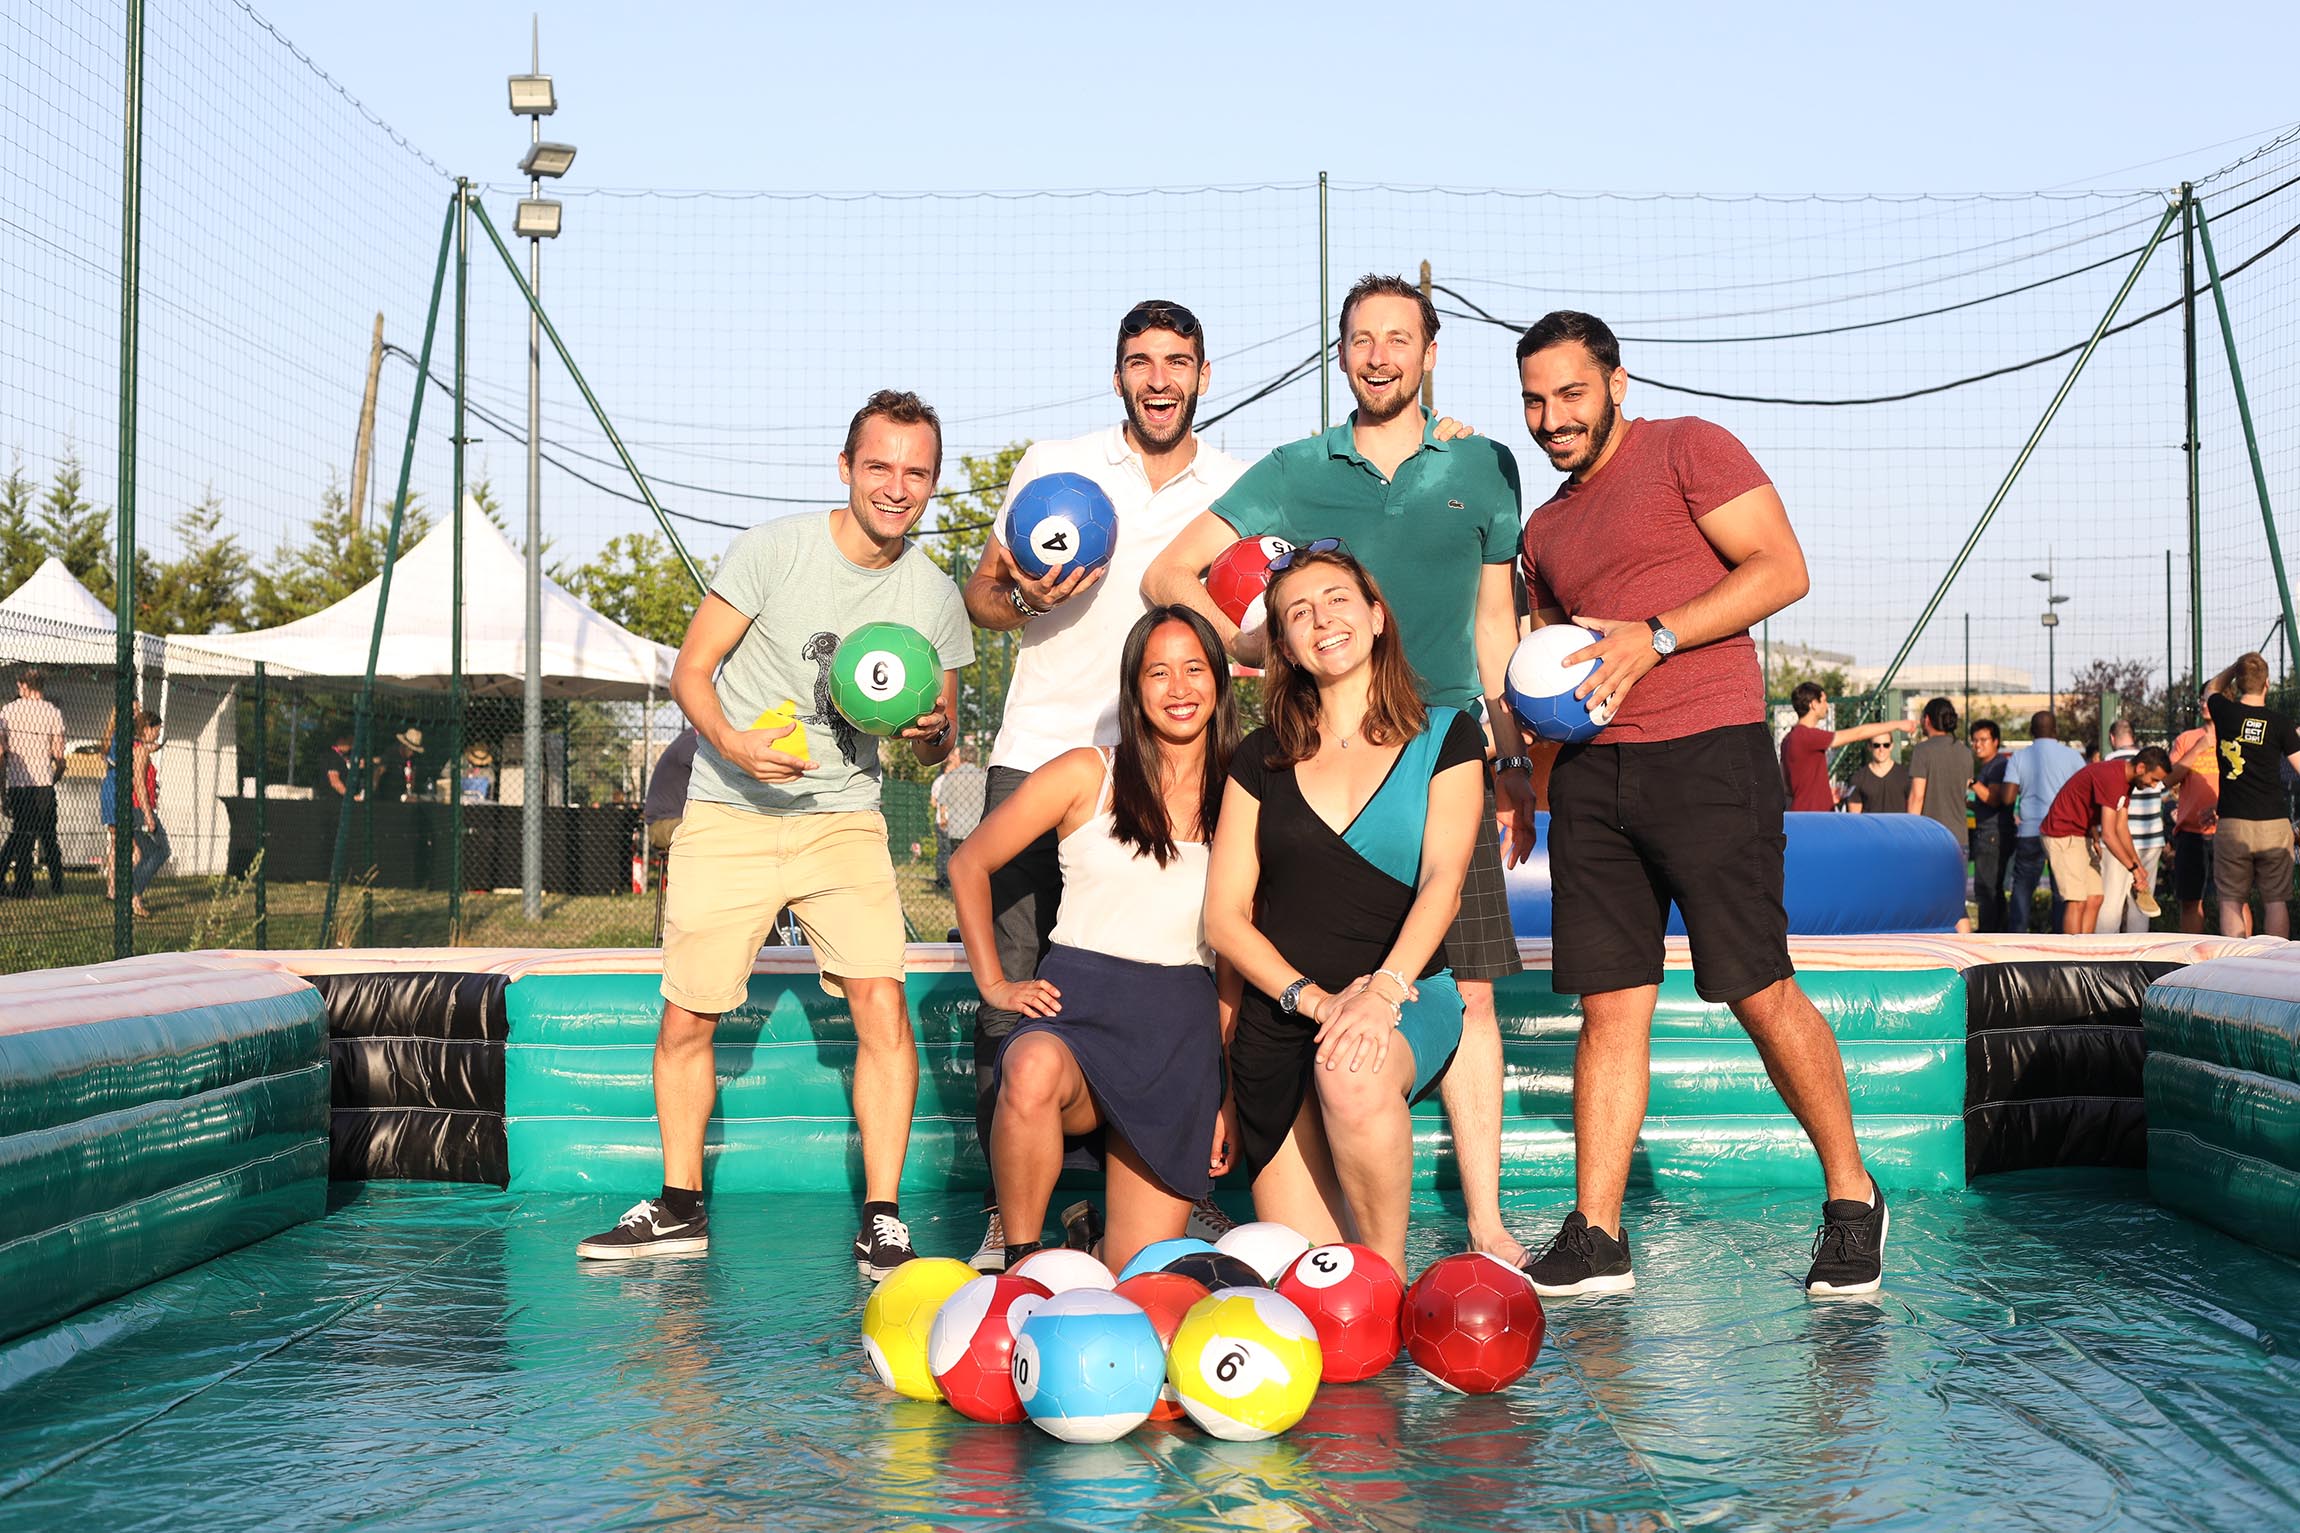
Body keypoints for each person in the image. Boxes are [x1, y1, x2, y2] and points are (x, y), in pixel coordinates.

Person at [1145, 273, 1537, 1268]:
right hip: (1319, 755)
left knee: (1473, 991)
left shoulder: (1485, 466)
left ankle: (1486, 1224)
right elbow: (1166, 578)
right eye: (1360, 339)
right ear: (1341, 355)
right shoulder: (1292, 469)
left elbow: (1496, 624)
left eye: (1395, 338)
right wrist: (1258, 650)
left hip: (1438, 753)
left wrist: (1513, 758)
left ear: (1429, 352)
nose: (1377, 355)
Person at [1511, 310, 1884, 1298]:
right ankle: (1595, 1234)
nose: (1552, 418)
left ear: (1615, 384)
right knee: (1608, 1008)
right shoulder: (1542, 527)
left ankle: (1851, 1200)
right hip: (1594, 779)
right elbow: (1555, 655)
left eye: (1570, 394)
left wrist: (1657, 635)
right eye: (1534, 401)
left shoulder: (1688, 448)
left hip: (1707, 755)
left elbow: (1780, 569)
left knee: (1755, 985)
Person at [576, 389, 973, 1276]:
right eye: (880, 465)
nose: (896, 486)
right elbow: (693, 670)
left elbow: (942, 729)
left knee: (881, 1000)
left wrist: (927, 732)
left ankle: (883, 1217)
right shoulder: (773, 551)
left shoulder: (934, 594)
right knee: (688, 1014)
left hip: (843, 820)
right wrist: (735, 745)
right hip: (730, 810)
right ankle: (680, 1206)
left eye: (917, 472)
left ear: (933, 484)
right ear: (846, 467)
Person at [960, 300, 1248, 1269]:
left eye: (1176, 361)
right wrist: (1018, 597)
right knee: (1017, 1002)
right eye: (1139, 360)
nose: (1157, 377)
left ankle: (1160, 1177)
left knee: (1182, 952)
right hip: (1047, 749)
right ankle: (1015, 1218)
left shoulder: (1237, 486)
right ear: (1116, 372)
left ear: (1203, 375)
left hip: (1175, 765)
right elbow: (982, 594)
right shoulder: (1055, 464)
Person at [1205, 548, 1483, 1281]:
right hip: (1285, 1015)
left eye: (1337, 600)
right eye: (1299, 612)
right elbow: (1224, 919)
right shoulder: (1258, 758)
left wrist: (1380, 992)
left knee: (1352, 1071)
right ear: (1285, 647)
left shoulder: (1447, 735)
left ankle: (1390, 1286)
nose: (1322, 619)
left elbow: (1443, 881)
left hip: (1405, 995)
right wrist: (1315, 999)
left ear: (1377, 615)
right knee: (1308, 1277)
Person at [951, 607, 1238, 1278]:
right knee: (1027, 1066)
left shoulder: (1242, 797)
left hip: (1178, 1037)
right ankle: (1022, 1266)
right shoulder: (1088, 772)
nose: (1178, 687)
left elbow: (1234, 957)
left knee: (1135, 1281)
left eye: (1194, 668)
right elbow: (969, 864)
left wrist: (1227, 1091)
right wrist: (995, 983)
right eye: (1157, 672)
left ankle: (1084, 1247)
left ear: (1220, 682)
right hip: (1076, 1017)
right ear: (1133, 689)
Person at [2203, 652, 2300, 939]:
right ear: (2267, 684)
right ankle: (2274, 966)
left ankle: (2233, 966)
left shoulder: (2224, 711)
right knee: (2275, 899)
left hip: (2233, 823)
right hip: (2273, 823)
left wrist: (2234, 667)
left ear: (2239, 681)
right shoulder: (2281, 724)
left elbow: (2211, 688)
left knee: (2231, 899)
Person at [2040, 746, 2172, 935]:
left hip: (2082, 834)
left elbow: (2121, 828)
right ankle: (2071, 959)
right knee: (2077, 900)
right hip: (2062, 834)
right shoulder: (2112, 777)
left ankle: (2086, 955)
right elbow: (2109, 835)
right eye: (2154, 780)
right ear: (2141, 768)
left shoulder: (2127, 782)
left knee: (2095, 898)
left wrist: (2138, 865)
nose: (2154, 786)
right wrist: (2133, 870)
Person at [2004, 711, 2084, 934]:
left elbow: (2008, 797)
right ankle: (2059, 942)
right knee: (2063, 891)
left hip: (2030, 830)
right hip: (2064, 832)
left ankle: (2017, 939)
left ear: (2031, 731)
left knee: (2022, 889)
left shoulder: (2019, 757)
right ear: (2056, 731)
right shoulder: (2073, 757)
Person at [1777, 682, 1909, 811]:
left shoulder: (1787, 740)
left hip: (1799, 812)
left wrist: (1824, 796)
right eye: (1824, 701)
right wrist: (1897, 725)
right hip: (1814, 817)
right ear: (1813, 704)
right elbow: (1858, 733)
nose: (1826, 706)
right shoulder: (1809, 736)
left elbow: (1787, 786)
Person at [0, 667, 67, 898]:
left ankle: (23, 885)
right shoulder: (52, 712)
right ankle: (57, 884)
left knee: (22, 835)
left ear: (24, 686)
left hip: (19, 781)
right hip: (43, 782)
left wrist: (3, 789)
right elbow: (59, 756)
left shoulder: (8, 711)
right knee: (49, 835)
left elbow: (2, 750)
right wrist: (53, 777)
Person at [2097, 720, 2167, 932]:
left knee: (2111, 903)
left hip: (2116, 843)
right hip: (2150, 839)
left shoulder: (2109, 761)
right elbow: (2162, 795)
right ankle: (2138, 956)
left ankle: (2104, 955)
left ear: (2111, 738)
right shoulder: (2153, 761)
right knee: (2142, 903)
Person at [2167, 717, 2221, 933]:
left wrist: (2222, 807)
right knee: (2190, 901)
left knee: (2235, 900)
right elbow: (2169, 779)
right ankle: (2191, 960)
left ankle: (2238, 959)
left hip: (2226, 830)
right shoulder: (2186, 739)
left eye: (2210, 698)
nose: (2205, 703)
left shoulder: (2233, 735)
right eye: (2202, 699)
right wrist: (2197, 749)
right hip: (2191, 831)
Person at [1968, 720, 2017, 931]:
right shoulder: (1989, 766)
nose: (1978, 744)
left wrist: (1971, 782)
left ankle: (1989, 934)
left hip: (1992, 834)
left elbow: (1994, 798)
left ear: (1995, 741)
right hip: (1989, 832)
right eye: (1975, 740)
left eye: (1983, 740)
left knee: (1986, 889)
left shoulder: (1997, 766)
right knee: (1992, 889)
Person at [125, 709, 168, 916]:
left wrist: (153, 747)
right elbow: (139, 784)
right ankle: (133, 893)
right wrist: (148, 814)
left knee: (149, 853)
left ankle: (133, 895)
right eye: (156, 731)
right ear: (146, 729)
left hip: (138, 808)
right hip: (140, 808)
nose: (157, 736)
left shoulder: (138, 748)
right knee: (161, 851)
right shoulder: (140, 751)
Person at [930, 743, 986, 891]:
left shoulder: (952, 776)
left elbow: (942, 801)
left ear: (961, 757)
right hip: (976, 825)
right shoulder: (983, 776)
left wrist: (943, 818)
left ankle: (958, 887)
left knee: (956, 857)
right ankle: (974, 887)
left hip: (956, 825)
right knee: (975, 860)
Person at [1844, 738, 1910, 814]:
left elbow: (1913, 808)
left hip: (1897, 825)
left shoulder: (1905, 775)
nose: (1881, 749)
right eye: (1876, 745)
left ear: (1892, 746)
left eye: (1886, 745)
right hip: (1869, 825)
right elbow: (1855, 816)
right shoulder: (1858, 778)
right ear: (1869, 747)